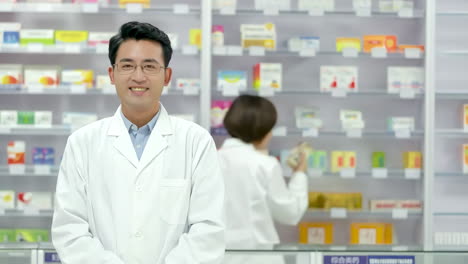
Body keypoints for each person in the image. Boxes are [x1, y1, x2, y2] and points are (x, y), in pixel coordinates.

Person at [51, 21, 225, 264]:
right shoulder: (82, 143)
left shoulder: (196, 142)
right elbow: (69, 230)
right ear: (112, 74)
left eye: (149, 66)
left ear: (167, 76)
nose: (138, 76)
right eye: (127, 66)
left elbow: (208, 230)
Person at [218, 95, 308, 263]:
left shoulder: (211, 159)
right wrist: (300, 174)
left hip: (219, 255)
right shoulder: (264, 165)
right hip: (257, 256)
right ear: (262, 132)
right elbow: (290, 213)